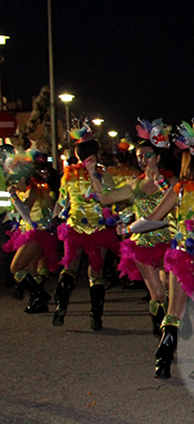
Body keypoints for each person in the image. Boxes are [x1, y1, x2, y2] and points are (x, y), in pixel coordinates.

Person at [141, 119, 194, 379]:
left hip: (183, 255)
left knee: (175, 309)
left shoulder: (180, 189)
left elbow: (153, 217)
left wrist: (129, 229)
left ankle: (162, 359)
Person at [89, 118, 176, 335]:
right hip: (142, 244)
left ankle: (173, 327)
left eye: (148, 156)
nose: (143, 160)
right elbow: (105, 198)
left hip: (169, 243)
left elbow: (177, 204)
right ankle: (162, 335)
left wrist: (161, 183)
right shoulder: (135, 184)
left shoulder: (173, 182)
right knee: (157, 295)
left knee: (169, 288)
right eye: (139, 157)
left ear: (157, 157)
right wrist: (92, 172)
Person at [52, 123, 121, 330]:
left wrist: (56, 218)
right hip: (99, 229)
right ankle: (95, 316)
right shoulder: (103, 174)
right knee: (95, 272)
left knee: (70, 267)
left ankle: (61, 307)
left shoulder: (69, 175)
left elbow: (62, 202)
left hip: (74, 227)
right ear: (96, 152)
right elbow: (111, 199)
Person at [3, 148, 60, 313]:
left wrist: (13, 197)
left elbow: (26, 213)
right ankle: (37, 299)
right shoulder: (31, 189)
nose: (14, 185)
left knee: (15, 268)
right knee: (31, 268)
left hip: (38, 233)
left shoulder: (35, 190)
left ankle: (39, 294)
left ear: (23, 177)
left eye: (15, 180)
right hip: (32, 232)